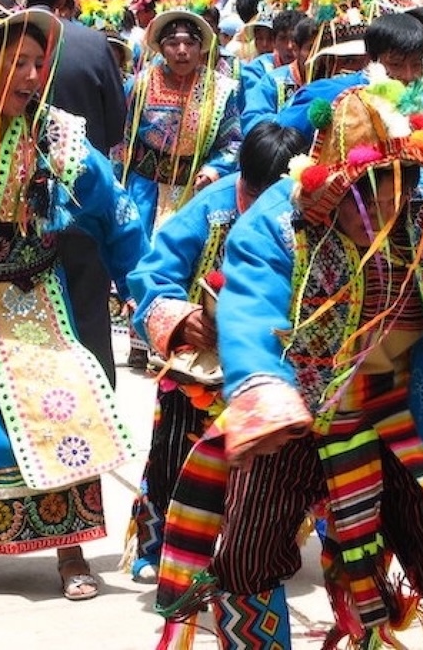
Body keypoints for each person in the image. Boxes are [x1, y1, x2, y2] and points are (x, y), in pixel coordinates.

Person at [153, 70, 423, 648]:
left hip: (404, 405)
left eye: (398, 183)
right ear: (331, 187)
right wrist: (264, 393)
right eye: (367, 190)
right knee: (245, 555)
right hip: (298, 411)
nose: (387, 201)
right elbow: (249, 304)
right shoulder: (280, 221)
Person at [0, 0, 147, 599]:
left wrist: (150, 299)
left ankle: (70, 552)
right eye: (18, 62)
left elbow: (118, 219)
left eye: (38, 62)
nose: (32, 75)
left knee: (64, 408)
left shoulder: (58, 138)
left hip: (36, 302)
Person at [125, 122, 306, 584]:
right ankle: (160, 545)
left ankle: (255, 551)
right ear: (242, 177)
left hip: (274, 363)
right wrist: (185, 320)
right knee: (175, 455)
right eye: (254, 189)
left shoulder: (309, 209)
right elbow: (154, 273)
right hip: (201, 365)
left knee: (270, 465)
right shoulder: (211, 207)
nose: (265, 202)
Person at [14, 0, 128, 384]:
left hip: (14, 212)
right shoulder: (94, 44)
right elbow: (116, 126)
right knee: (89, 315)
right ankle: (96, 408)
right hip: (83, 203)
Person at [119, 8, 241, 237]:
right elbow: (121, 142)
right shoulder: (139, 86)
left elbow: (232, 143)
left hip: (194, 195)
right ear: (162, 49)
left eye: (190, 43)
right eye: (173, 43)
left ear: (201, 48)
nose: (182, 51)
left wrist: (213, 170)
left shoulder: (221, 90)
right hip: (142, 193)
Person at [278, 12, 423, 145]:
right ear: (372, 59)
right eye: (396, 64)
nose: (408, 75)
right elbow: (277, 139)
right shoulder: (335, 95)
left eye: (416, 64)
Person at [241, 15, 316, 133]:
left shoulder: (328, 79)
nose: (289, 46)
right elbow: (252, 121)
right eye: (283, 39)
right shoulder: (270, 79)